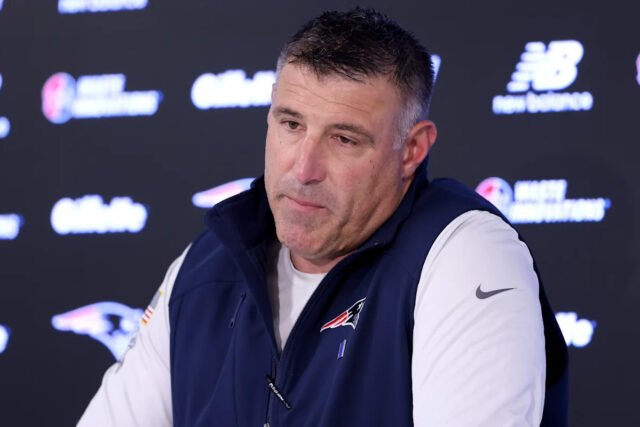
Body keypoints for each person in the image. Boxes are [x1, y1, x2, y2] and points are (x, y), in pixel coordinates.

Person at [78, 8, 568, 427]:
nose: (303, 169)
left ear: (412, 149)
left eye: (344, 139)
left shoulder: (464, 254)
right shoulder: (206, 265)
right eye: (291, 124)